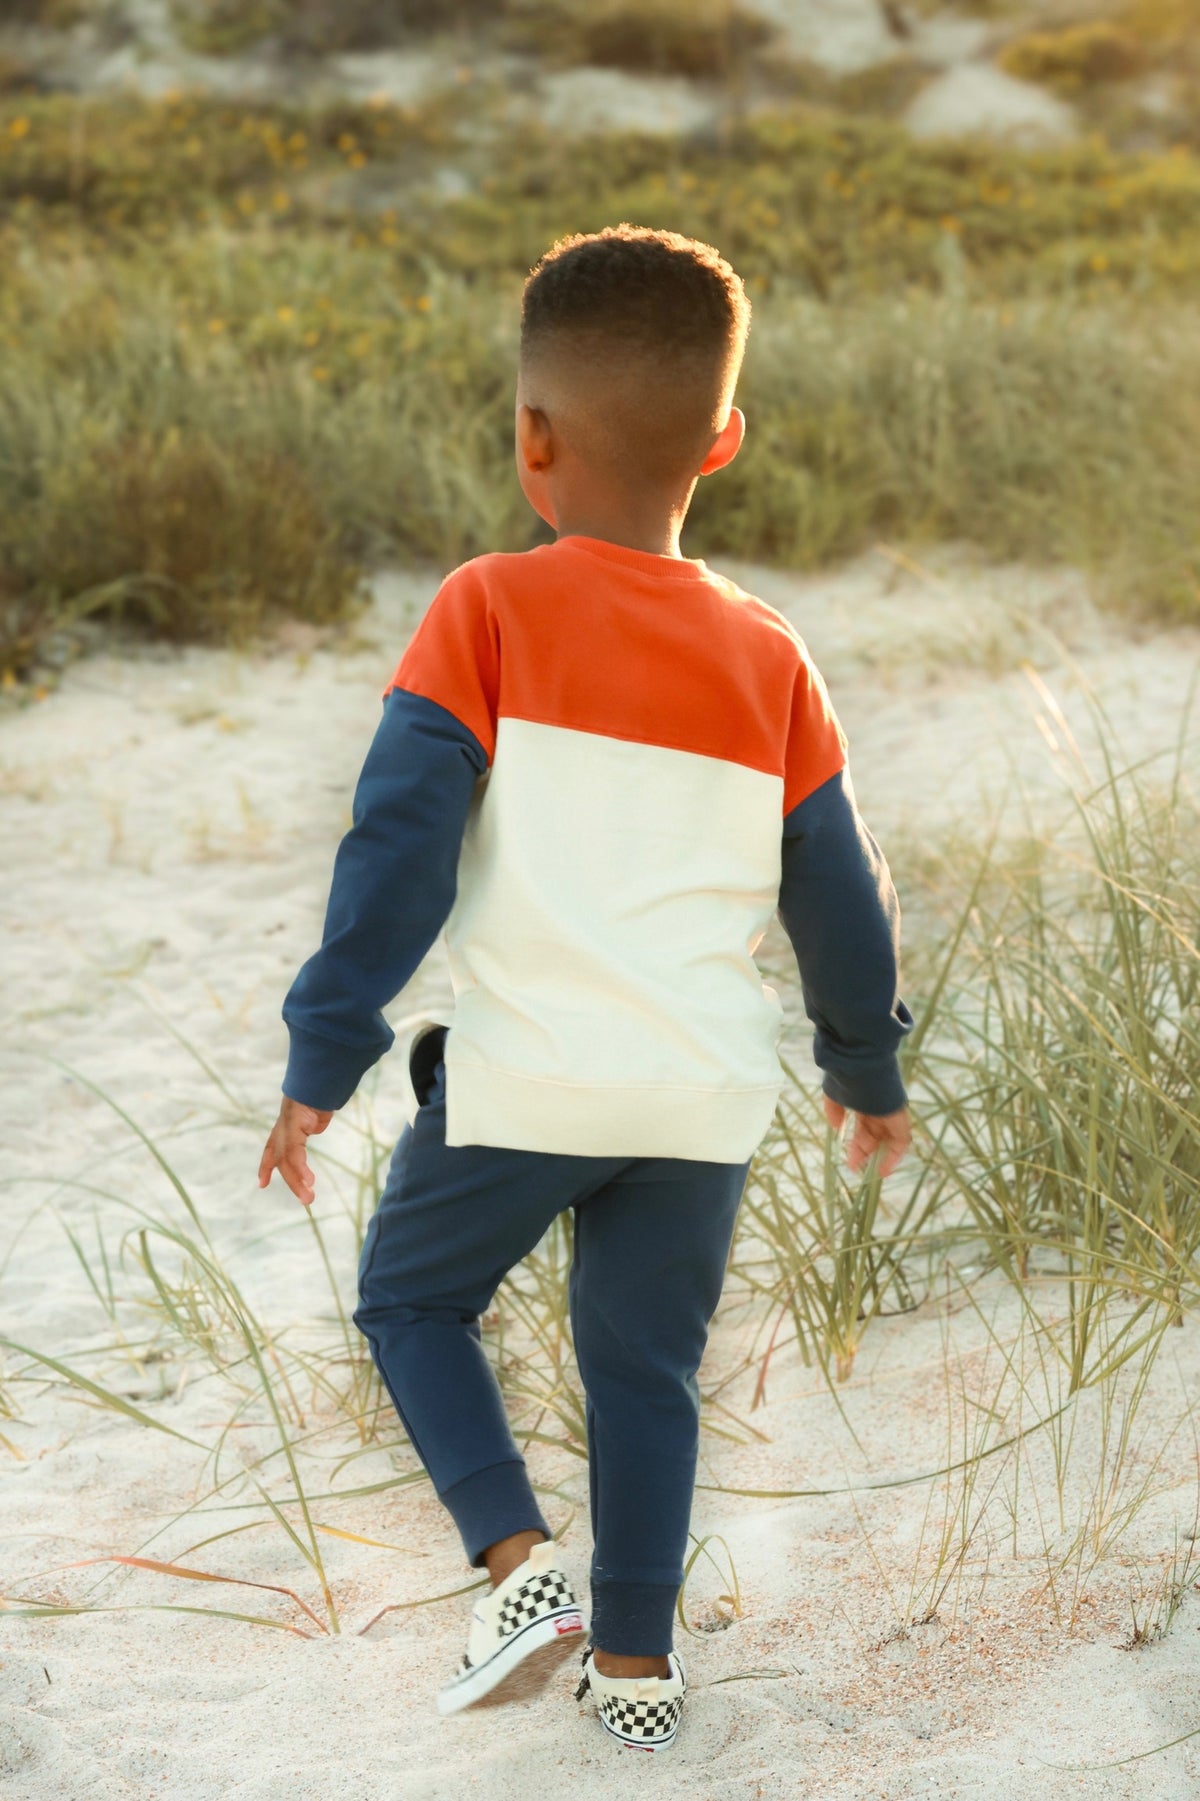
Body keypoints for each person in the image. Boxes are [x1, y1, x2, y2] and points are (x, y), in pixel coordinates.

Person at [257, 224, 914, 1752]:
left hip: (527, 1075)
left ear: (528, 438)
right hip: (696, 1093)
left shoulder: (487, 607)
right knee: (646, 1368)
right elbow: (845, 894)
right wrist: (865, 1069)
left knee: (412, 1294)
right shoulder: (771, 654)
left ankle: (515, 1566)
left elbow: (396, 854)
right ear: (727, 440)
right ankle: (637, 1671)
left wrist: (326, 1050)